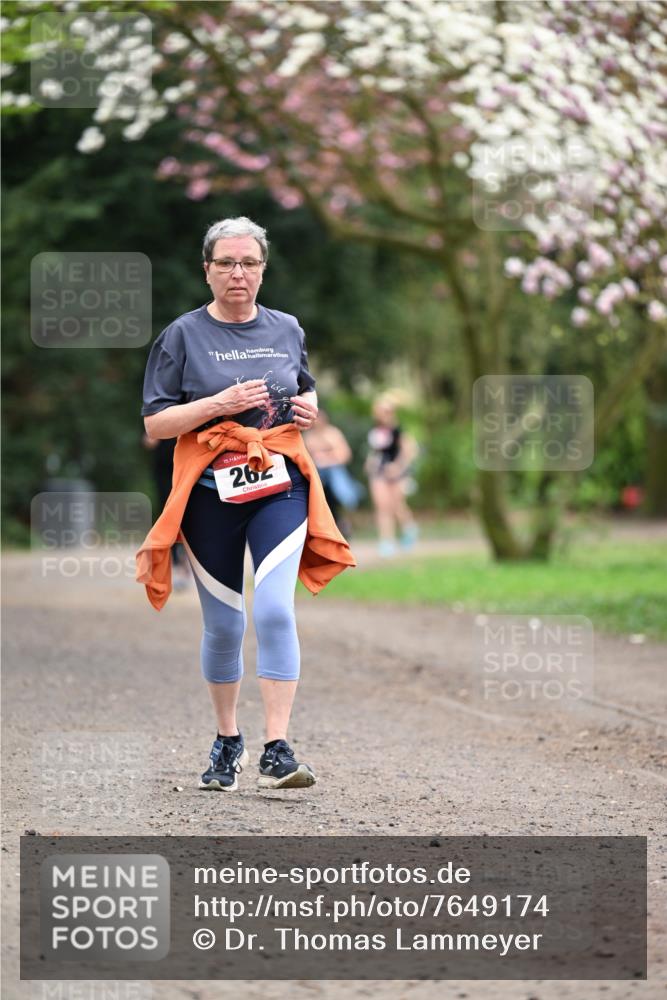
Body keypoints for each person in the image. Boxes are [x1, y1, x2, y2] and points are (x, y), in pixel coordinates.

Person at [139, 217, 354, 791]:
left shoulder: (286, 328)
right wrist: (218, 404)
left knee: (276, 610)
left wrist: (308, 407)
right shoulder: (181, 335)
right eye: (227, 263)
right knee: (225, 626)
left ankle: (277, 748)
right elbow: (157, 421)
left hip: (280, 485)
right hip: (210, 495)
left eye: (250, 263)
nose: (239, 273)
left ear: (263, 269)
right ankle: (228, 741)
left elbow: (303, 387)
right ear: (206, 270)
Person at [365, 395, 419, 557]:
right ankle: (386, 541)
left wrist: (398, 466)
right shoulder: (375, 430)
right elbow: (376, 451)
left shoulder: (399, 430)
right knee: (382, 506)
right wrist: (370, 462)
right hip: (379, 471)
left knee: (397, 505)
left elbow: (410, 450)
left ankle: (409, 529)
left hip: (396, 472)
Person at [141, 433, 191, 590]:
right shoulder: (152, 408)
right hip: (163, 472)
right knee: (168, 517)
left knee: (188, 516)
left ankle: (187, 564)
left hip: (185, 468)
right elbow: (147, 442)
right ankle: (176, 565)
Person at [303, 410, 363, 538]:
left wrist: (327, 457)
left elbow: (345, 455)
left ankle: (349, 506)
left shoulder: (333, 433)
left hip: (334, 470)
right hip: (317, 472)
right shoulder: (309, 437)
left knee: (341, 488)